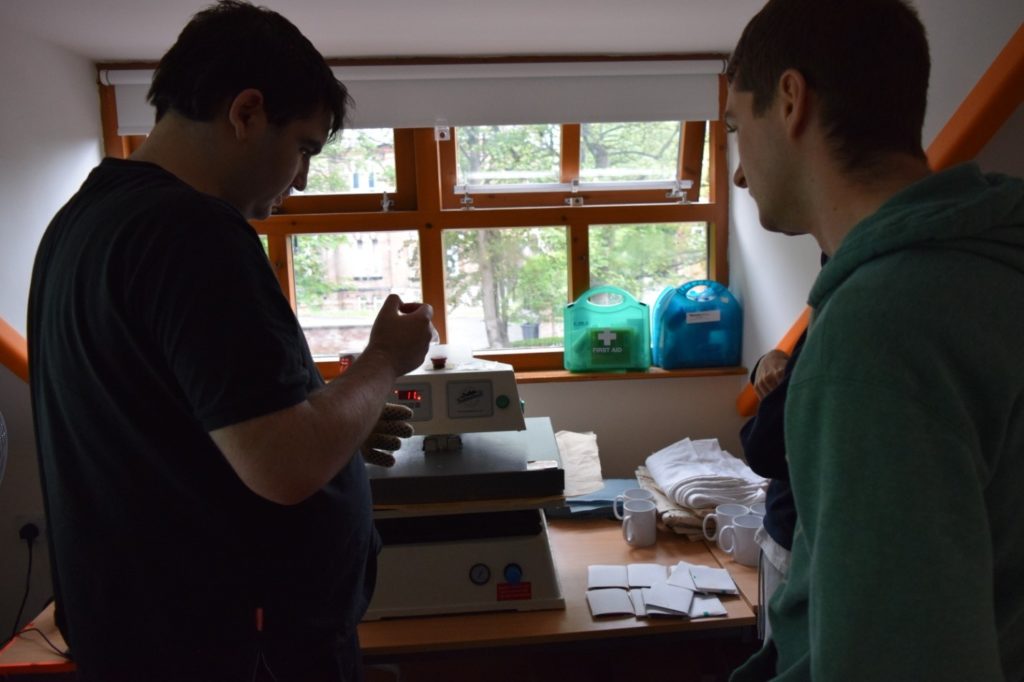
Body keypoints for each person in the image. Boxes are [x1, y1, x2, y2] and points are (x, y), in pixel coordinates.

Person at [27, 2, 434, 680]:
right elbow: (283, 466)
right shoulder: (193, 234)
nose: (302, 179)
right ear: (246, 112)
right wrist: (387, 358)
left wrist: (338, 427)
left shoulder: (84, 220)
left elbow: (183, 423)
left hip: (140, 639)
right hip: (231, 649)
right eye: (303, 146)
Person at [724, 0, 1024, 679]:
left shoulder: (877, 331)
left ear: (791, 100)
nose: (740, 173)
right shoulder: (991, 254)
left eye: (739, 127)